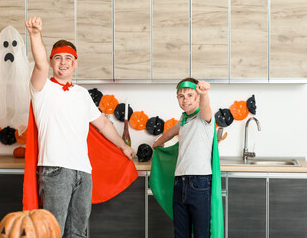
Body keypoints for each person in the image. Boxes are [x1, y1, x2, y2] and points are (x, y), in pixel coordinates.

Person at [25, 17, 135, 238]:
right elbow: (39, 65)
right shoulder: (42, 89)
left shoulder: (82, 94)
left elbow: (103, 124)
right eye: (57, 58)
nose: (63, 62)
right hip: (55, 170)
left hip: (84, 172)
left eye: (68, 58)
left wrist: (123, 146)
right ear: (51, 62)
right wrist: (35, 35)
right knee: (53, 231)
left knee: (78, 232)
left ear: (75, 63)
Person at [153, 78, 214, 238]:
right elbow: (170, 132)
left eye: (190, 95)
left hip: (199, 182)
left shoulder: (204, 117)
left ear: (198, 98)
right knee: (181, 232)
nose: (185, 99)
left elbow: (206, 106)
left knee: (201, 232)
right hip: (180, 182)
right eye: (181, 96)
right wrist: (157, 143)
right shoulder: (183, 119)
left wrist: (204, 93)